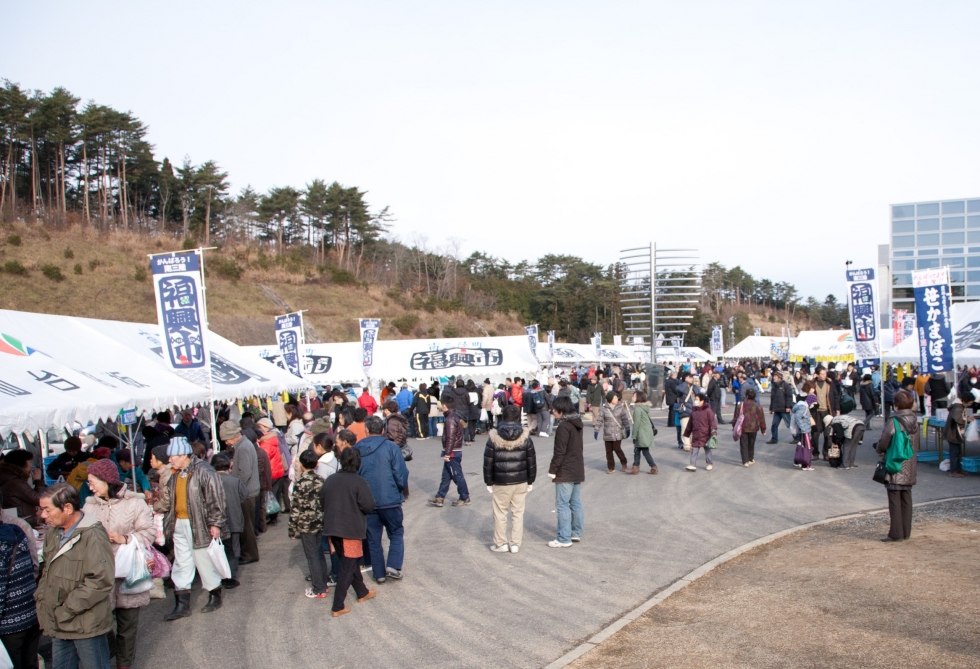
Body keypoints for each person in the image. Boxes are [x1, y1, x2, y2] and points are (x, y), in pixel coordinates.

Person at [82, 459, 155, 669]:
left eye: (93, 481)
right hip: (98, 572)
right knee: (100, 623)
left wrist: (125, 538)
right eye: (89, 482)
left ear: (107, 480)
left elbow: (149, 533)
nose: (91, 486)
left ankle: (124, 664)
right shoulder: (89, 505)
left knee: (127, 624)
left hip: (129, 571)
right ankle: (110, 652)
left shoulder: (134, 503)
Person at [35, 483, 115, 669]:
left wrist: (67, 608)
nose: (42, 515)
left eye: (47, 509)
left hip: (85, 624)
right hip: (60, 621)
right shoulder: (53, 534)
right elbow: (47, 571)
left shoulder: (93, 535)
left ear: (68, 508)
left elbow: (100, 580)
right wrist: (43, 598)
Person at [159, 437, 228, 620]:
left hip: (198, 522)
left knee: (204, 559)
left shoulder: (204, 470)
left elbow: (216, 498)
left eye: (172, 456)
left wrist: (215, 523)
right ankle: (182, 604)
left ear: (183, 455)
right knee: (181, 562)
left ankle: (214, 595)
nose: (169, 460)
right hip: (179, 523)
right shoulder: (176, 473)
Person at [321, 448, 376, 617]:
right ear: (358, 462)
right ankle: (338, 606)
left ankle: (362, 592)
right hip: (350, 529)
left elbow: (322, 500)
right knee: (348, 566)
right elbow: (368, 505)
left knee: (348, 563)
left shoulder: (330, 479)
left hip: (332, 528)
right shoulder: (359, 482)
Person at [355, 416, 410, 583]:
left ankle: (378, 573)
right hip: (390, 498)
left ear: (366, 430)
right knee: (396, 532)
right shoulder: (391, 447)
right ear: (383, 430)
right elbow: (401, 473)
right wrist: (399, 488)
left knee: (373, 538)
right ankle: (393, 565)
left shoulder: (357, 449)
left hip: (367, 500)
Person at [484, 406, 536, 553]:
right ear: (518, 418)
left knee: (500, 513)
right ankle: (515, 543)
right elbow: (531, 460)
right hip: (521, 480)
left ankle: (501, 543)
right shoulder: (526, 436)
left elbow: (488, 462)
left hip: (501, 481)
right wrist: (530, 480)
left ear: (502, 417)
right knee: (518, 513)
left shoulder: (493, 437)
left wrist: (488, 482)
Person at [0, 495, 39, 669]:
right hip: (31, 614)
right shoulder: (17, 532)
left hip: (10, 624)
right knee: (30, 663)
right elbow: (33, 566)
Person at [876, 391, 919, 541]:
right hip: (910, 463)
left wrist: (879, 449)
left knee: (894, 498)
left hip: (896, 462)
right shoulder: (915, 420)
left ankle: (896, 533)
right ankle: (906, 531)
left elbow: (884, 440)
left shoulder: (895, 420)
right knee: (906, 498)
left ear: (896, 404)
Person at [289, 450, 330, 600]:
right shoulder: (321, 480)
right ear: (317, 463)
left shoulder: (300, 483)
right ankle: (324, 584)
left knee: (312, 555)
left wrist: (292, 529)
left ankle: (318, 588)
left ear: (301, 464)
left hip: (306, 524)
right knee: (319, 553)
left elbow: (295, 508)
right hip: (321, 522)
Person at [219, 420, 260, 564]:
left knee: (246, 526)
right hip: (247, 490)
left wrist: (236, 488)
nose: (226, 443)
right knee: (246, 524)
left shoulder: (243, 448)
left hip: (246, 492)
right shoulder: (244, 445)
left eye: (226, 439)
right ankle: (248, 553)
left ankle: (249, 554)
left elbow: (245, 473)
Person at [548, 396, 584, 548]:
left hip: (565, 470)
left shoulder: (563, 426)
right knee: (575, 503)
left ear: (561, 410)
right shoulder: (577, 423)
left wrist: (552, 469)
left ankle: (564, 538)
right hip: (577, 468)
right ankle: (575, 532)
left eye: (554, 409)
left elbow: (559, 451)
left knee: (562, 504)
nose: (553, 411)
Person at [211, 454, 246, 589]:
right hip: (234, 520)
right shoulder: (235, 481)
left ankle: (221, 575)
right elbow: (244, 494)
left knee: (219, 549)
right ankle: (231, 577)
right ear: (229, 466)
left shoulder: (210, 481)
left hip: (216, 521)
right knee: (233, 549)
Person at [427, 396, 470, 508]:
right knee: (446, 476)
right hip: (454, 450)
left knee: (457, 475)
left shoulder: (450, 419)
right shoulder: (453, 416)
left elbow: (450, 438)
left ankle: (464, 497)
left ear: (444, 405)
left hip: (453, 452)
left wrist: (447, 453)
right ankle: (440, 497)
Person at [255, 418, 288, 522]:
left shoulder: (265, 443)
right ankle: (274, 515)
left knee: (270, 496)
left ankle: (270, 515)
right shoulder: (273, 439)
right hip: (278, 470)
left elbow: (264, 458)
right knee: (276, 495)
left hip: (272, 472)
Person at [0, 450, 45, 528]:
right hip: (25, 522)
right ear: (22, 463)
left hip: (20, 520)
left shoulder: (9, 477)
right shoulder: (15, 482)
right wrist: (38, 481)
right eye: (30, 462)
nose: (31, 465)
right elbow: (39, 499)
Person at [595, 391, 632, 474]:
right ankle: (611, 467)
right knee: (608, 451)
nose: (616, 399)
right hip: (608, 433)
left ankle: (624, 462)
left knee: (617, 448)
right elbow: (599, 421)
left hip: (617, 433)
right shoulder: (604, 409)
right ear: (610, 399)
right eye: (615, 398)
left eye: (616, 397)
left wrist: (627, 428)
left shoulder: (620, 408)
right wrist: (596, 430)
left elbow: (625, 419)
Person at [684, 391, 717, 472]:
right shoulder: (694, 411)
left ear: (702, 401)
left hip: (706, 434)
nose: (695, 401)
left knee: (707, 449)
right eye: (695, 399)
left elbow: (712, 422)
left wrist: (713, 432)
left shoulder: (708, 411)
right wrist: (686, 433)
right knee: (694, 450)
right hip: (696, 434)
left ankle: (709, 463)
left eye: (697, 399)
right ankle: (692, 465)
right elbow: (690, 424)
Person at [812, 367, 841, 459]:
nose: (825, 375)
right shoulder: (812, 384)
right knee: (815, 434)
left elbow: (836, 396)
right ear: (817, 374)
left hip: (828, 412)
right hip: (816, 413)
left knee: (828, 434)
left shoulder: (829, 384)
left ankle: (826, 453)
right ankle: (815, 453)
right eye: (822, 374)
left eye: (825, 373)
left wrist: (837, 409)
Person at [733, 388, 766, 466]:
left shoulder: (741, 404)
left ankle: (745, 461)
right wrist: (763, 430)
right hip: (754, 427)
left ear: (746, 396)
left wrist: (734, 426)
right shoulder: (758, 406)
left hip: (743, 426)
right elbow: (762, 419)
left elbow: (736, 417)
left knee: (744, 444)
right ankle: (750, 458)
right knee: (751, 443)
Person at [628, 391, 658, 475]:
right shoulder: (644, 408)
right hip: (645, 432)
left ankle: (653, 467)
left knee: (643, 451)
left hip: (641, 433)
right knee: (638, 450)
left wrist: (634, 436)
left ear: (638, 398)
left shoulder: (638, 409)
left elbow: (636, 424)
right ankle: (636, 466)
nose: (632, 398)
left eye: (634, 396)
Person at [944, 392, 973, 478]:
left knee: (957, 452)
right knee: (954, 453)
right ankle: (954, 470)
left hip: (953, 432)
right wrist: (968, 420)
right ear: (965, 401)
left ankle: (958, 469)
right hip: (953, 433)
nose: (970, 405)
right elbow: (958, 419)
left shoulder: (958, 406)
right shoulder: (958, 407)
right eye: (970, 403)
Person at [767, 371, 795, 444]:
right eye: (773, 376)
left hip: (784, 409)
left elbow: (789, 396)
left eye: (775, 376)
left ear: (779, 377)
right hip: (777, 409)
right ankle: (774, 439)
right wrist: (771, 408)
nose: (774, 378)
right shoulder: (774, 386)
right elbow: (772, 398)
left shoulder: (785, 385)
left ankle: (797, 437)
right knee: (774, 425)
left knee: (789, 424)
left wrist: (788, 406)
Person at [673, 372, 694, 450]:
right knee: (685, 429)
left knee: (692, 429)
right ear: (686, 378)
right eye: (690, 377)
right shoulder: (681, 386)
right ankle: (686, 445)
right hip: (684, 411)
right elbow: (679, 389)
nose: (692, 379)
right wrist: (686, 382)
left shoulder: (694, 387)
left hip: (693, 411)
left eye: (692, 377)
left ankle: (691, 443)